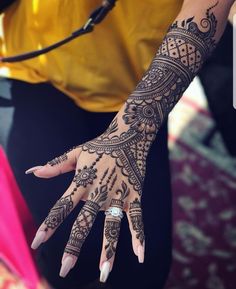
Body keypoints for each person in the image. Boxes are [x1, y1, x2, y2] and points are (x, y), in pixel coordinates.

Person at [0, 1, 234, 289]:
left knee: (145, 268)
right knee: (67, 244)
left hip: (137, 82)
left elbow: (207, 8)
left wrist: (131, 134)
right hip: (30, 68)